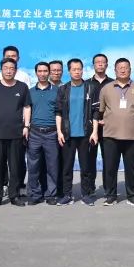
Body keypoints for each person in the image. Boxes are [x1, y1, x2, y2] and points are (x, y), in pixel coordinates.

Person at [94, 58, 134, 206]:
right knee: (110, 168)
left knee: (132, 168)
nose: (123, 70)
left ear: (130, 69)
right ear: (115, 70)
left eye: (126, 67)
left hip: (132, 136)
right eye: (120, 68)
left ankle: (132, 196)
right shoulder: (106, 89)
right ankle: (111, 196)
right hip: (110, 135)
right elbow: (102, 109)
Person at [0, 57, 31, 207]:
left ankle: (14, 195)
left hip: (16, 132)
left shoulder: (22, 87)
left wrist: (26, 126)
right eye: (6, 68)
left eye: (12, 68)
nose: (9, 71)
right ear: (1, 70)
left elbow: (27, 107)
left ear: (16, 70)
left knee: (15, 166)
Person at [55, 58, 100, 205]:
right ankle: (67, 195)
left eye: (79, 69)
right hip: (68, 134)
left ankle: (86, 195)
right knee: (67, 167)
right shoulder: (63, 89)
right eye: (74, 69)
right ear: (69, 71)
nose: (77, 72)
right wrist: (59, 132)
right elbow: (58, 112)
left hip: (85, 134)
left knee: (85, 167)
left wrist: (95, 131)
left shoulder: (90, 88)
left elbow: (95, 111)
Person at [25, 62, 60, 205]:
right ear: (36, 73)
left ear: (49, 73)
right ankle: (35, 194)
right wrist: (26, 127)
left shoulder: (57, 91)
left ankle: (51, 194)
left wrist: (59, 131)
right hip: (34, 133)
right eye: (40, 71)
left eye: (45, 71)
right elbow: (27, 110)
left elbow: (59, 112)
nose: (43, 74)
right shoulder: (30, 92)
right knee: (33, 166)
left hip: (51, 133)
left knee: (52, 166)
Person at [88, 53, 113, 198]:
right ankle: (90, 188)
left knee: (108, 159)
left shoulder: (113, 83)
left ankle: (108, 189)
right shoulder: (87, 84)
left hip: (109, 127)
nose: (100, 64)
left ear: (107, 65)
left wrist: (108, 119)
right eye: (97, 62)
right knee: (89, 158)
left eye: (103, 62)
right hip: (91, 127)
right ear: (93, 65)